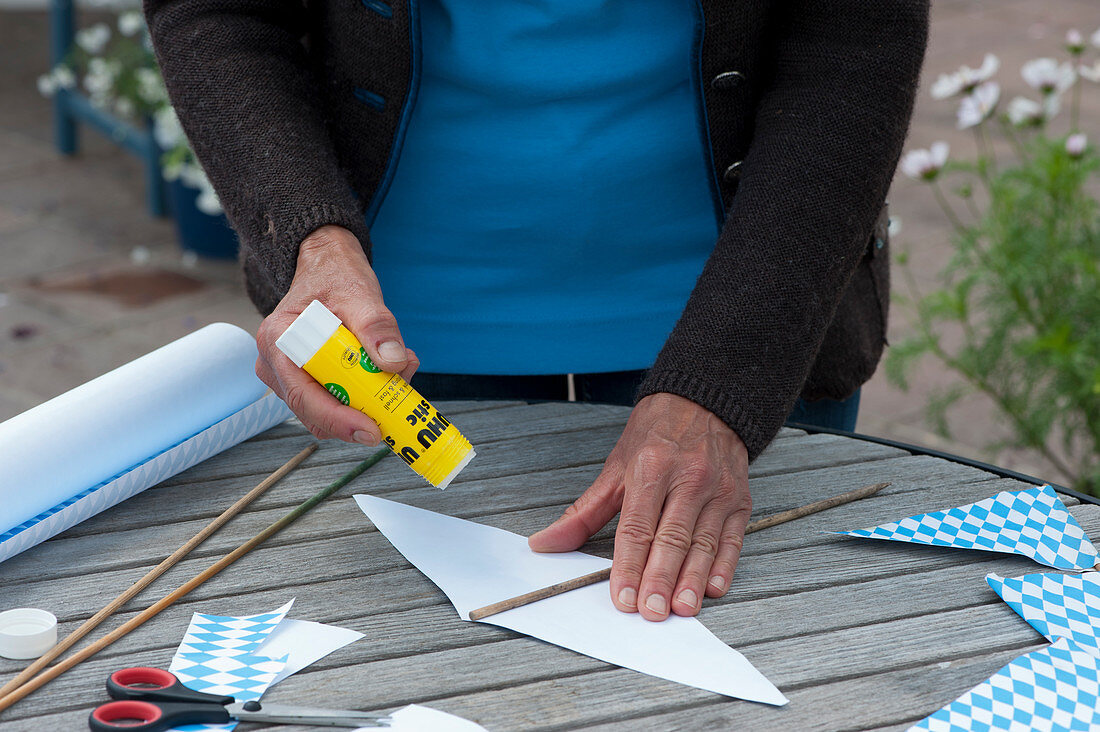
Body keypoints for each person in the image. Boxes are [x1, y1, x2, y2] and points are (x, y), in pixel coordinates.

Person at [145, 0, 929, 622]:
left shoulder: (740, 348)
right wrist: (307, 238)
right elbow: (222, 10)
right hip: (391, 339)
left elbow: (857, 35)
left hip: (748, 315)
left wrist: (727, 375)